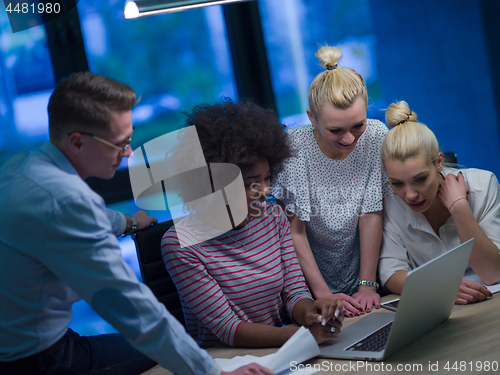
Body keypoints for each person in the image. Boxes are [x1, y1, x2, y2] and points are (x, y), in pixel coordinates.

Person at [0, 72, 273, 375]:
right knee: (167, 362)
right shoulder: (68, 202)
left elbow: (83, 216)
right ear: (77, 142)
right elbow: (131, 307)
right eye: (120, 143)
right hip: (39, 361)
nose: (128, 152)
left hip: (24, 342)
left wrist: (129, 222)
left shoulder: (21, 167)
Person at [161, 99, 344, 348]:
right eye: (251, 183)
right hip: (225, 361)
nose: (265, 190)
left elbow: (294, 293)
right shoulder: (180, 244)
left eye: (267, 178)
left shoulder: (273, 217)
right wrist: (304, 337)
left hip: (282, 348)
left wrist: (312, 314)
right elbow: (228, 329)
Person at [270, 45, 391, 317]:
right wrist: (322, 293)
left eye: (357, 125)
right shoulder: (294, 146)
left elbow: (371, 213)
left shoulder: (375, 135)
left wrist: (368, 285)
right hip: (310, 283)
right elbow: (294, 230)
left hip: (365, 275)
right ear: (312, 118)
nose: (349, 138)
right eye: (335, 130)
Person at [379, 100, 500, 304]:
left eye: (420, 179)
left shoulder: (483, 185)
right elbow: (390, 274)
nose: (409, 195)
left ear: (439, 162)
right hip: (438, 308)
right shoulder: (391, 204)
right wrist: (438, 287)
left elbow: (493, 273)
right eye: (397, 183)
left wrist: (460, 208)